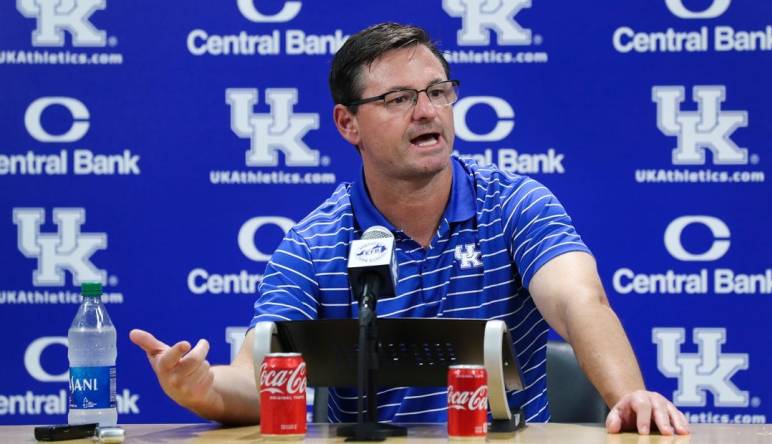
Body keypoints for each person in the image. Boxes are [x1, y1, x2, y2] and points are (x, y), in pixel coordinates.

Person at [131, 22, 689, 435]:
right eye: (399, 99)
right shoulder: (313, 243)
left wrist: (630, 395)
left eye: (438, 92)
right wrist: (202, 390)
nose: (427, 112)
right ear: (347, 123)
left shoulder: (514, 202)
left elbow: (579, 302)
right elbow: (260, 373)